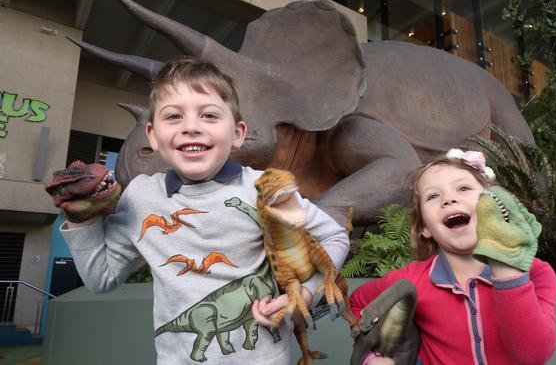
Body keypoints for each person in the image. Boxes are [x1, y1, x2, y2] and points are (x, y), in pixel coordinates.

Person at [45, 56, 350, 365]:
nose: (191, 127)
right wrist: (81, 219)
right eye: (174, 116)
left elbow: (335, 236)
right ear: (152, 135)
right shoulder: (140, 196)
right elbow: (102, 278)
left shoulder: (266, 186)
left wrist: (308, 294)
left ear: (237, 134)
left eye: (209, 115)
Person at [349, 149, 556, 365]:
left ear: (494, 204)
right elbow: (355, 304)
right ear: (424, 228)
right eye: (433, 196)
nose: (449, 199)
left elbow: (533, 356)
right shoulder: (412, 280)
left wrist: (508, 272)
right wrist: (372, 357)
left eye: (463, 188)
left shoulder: (536, 273)